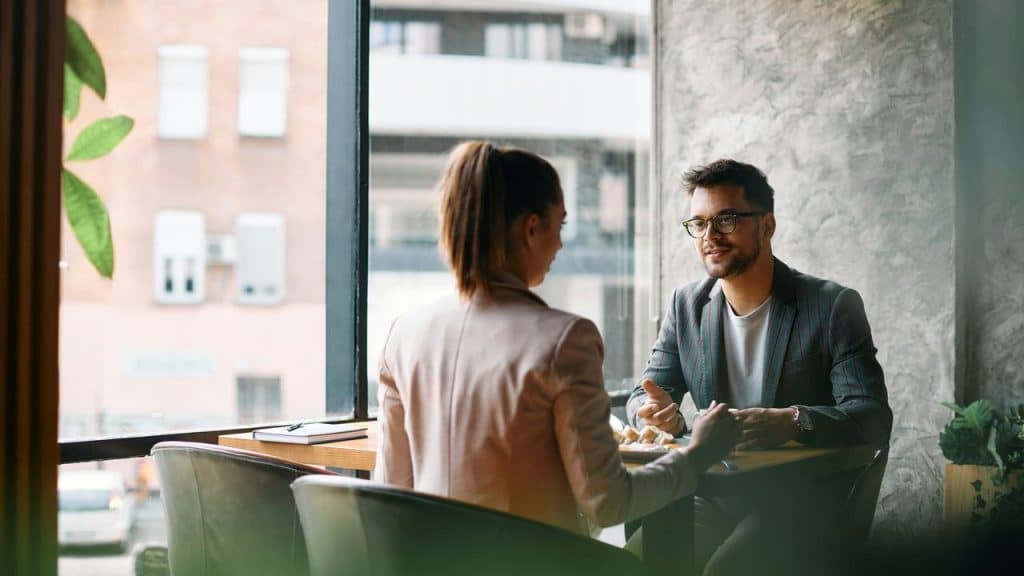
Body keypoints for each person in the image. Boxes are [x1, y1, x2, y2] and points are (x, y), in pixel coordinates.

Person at [374, 141, 739, 538]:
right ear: (532, 228)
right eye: (560, 225)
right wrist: (697, 455)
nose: (561, 244)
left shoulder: (404, 333)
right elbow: (608, 501)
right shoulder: (565, 340)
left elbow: (390, 488)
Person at [627, 159, 893, 575]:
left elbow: (873, 417)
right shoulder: (686, 306)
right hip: (711, 494)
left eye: (726, 219)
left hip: (800, 502)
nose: (710, 236)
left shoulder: (832, 307)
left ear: (767, 226)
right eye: (698, 223)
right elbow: (644, 393)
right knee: (639, 566)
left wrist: (793, 421)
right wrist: (652, 411)